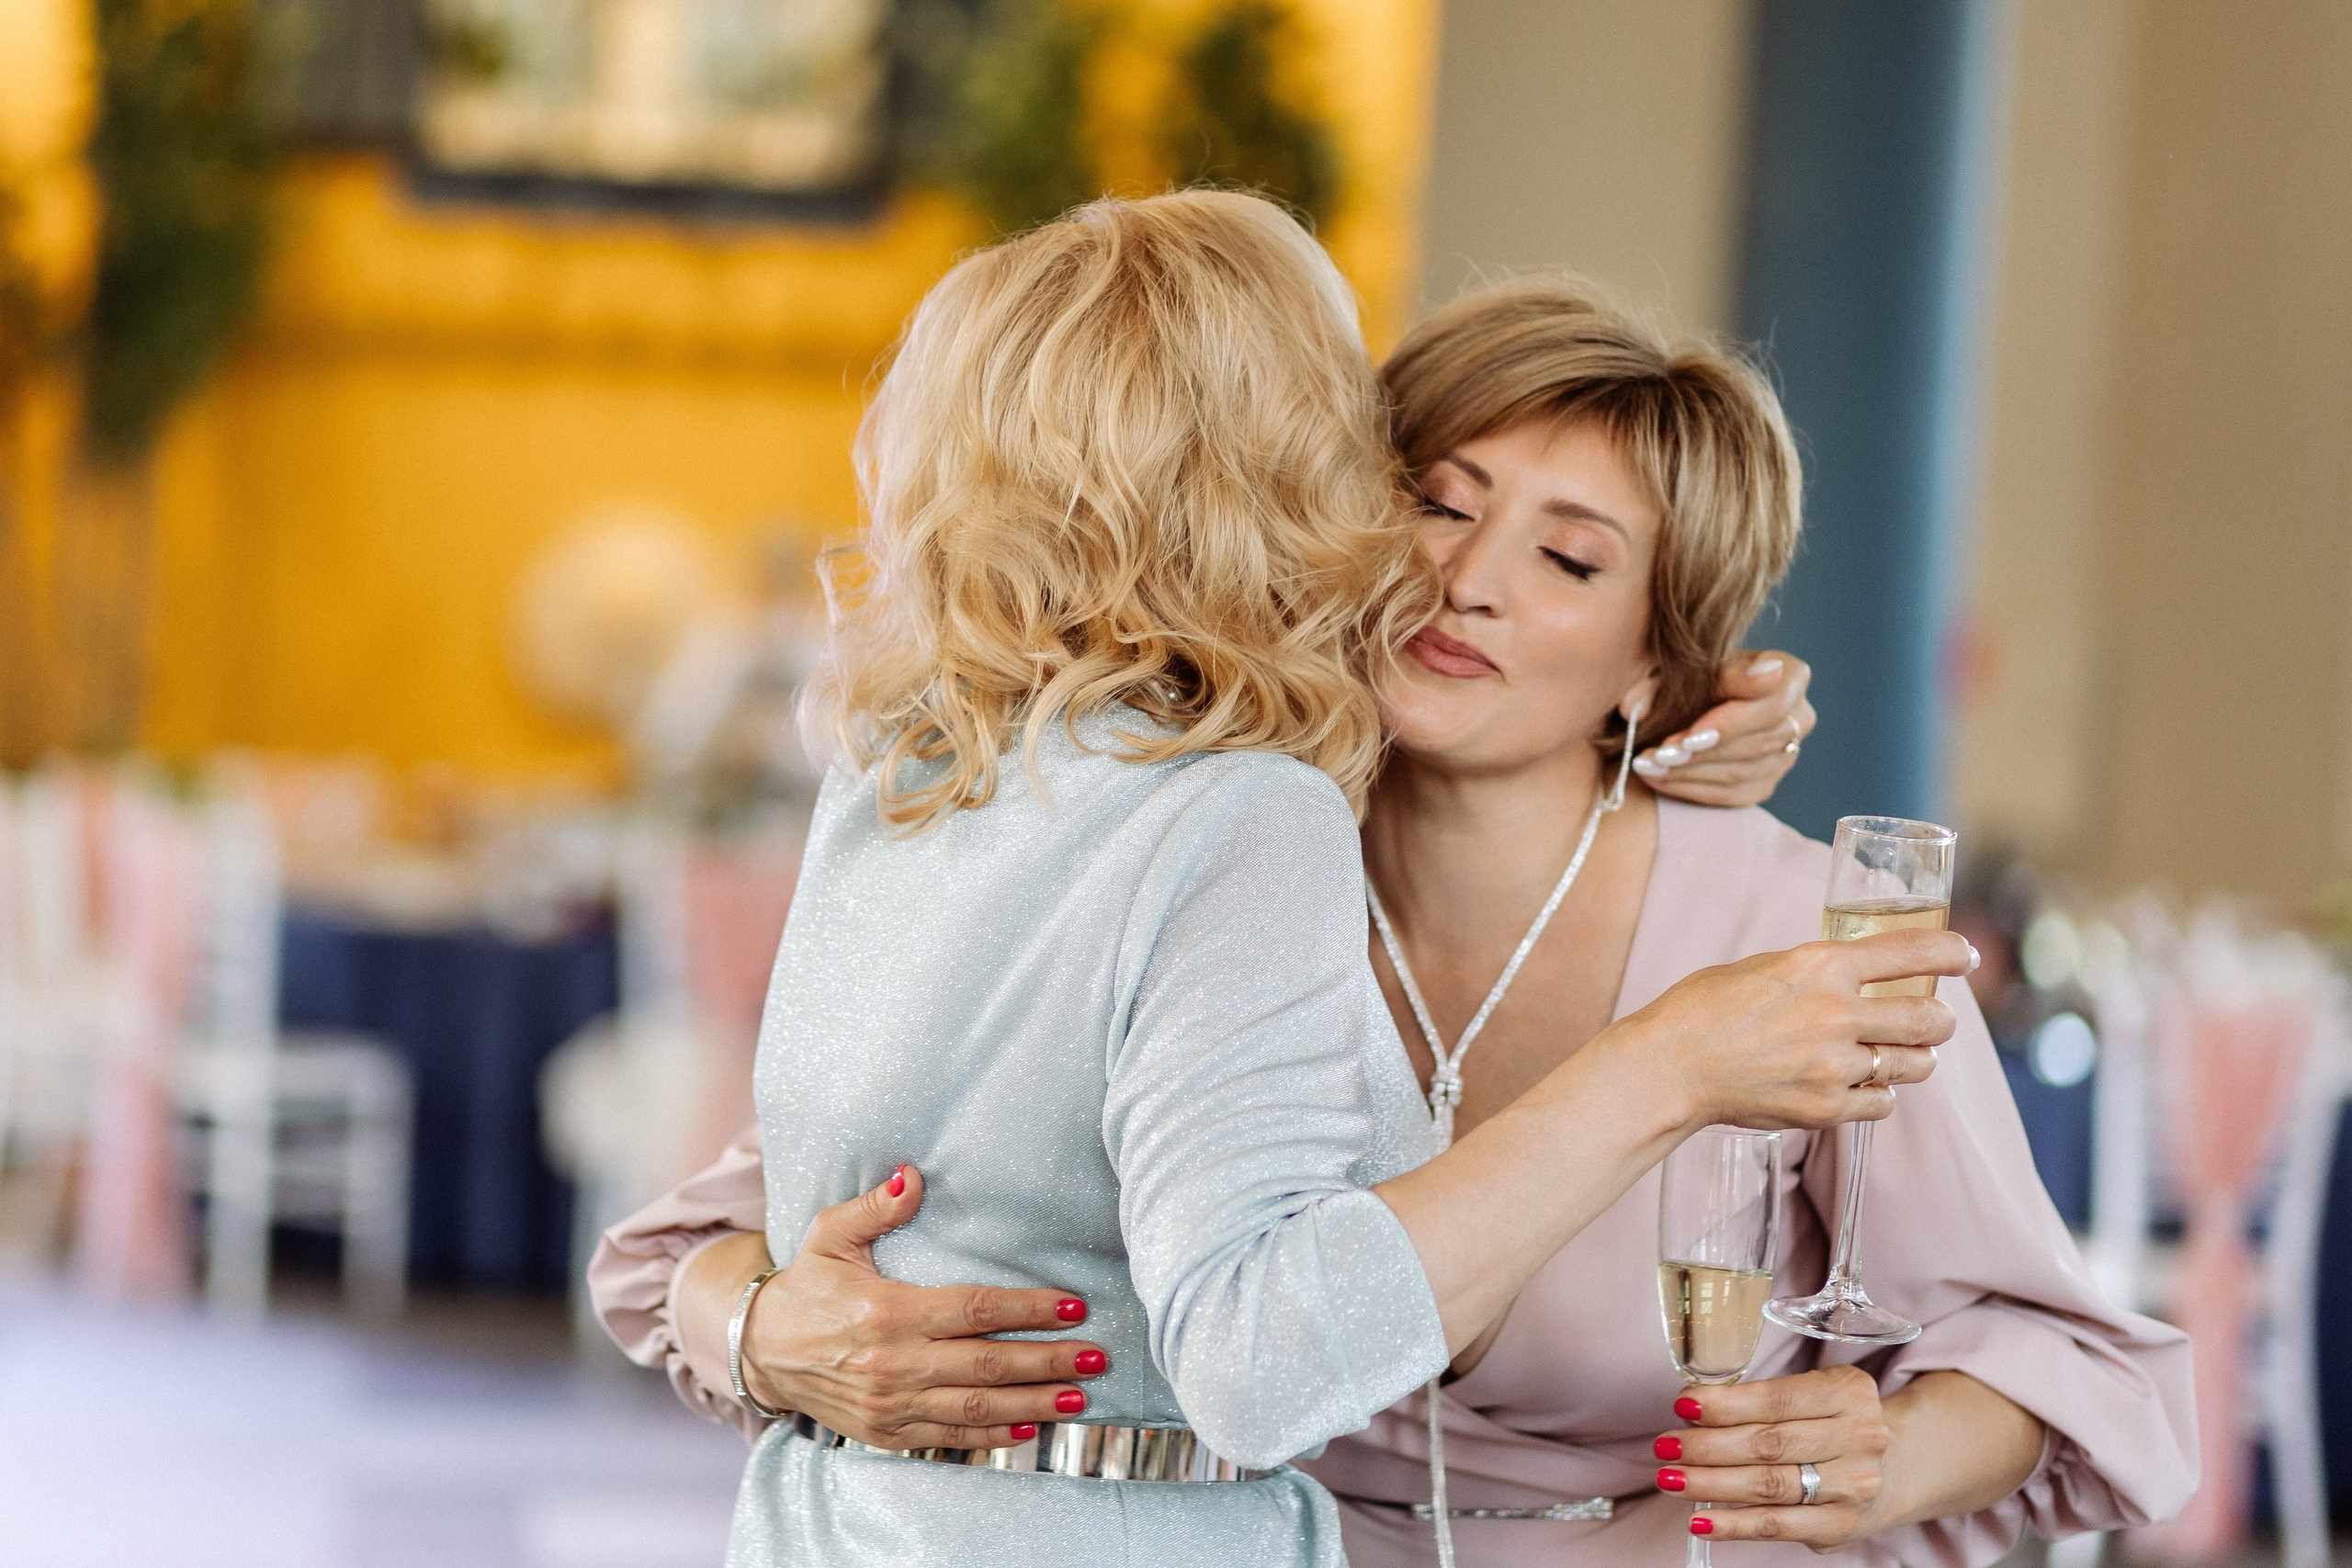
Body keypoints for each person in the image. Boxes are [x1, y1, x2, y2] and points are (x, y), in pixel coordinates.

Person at [595, 265, 2193, 1568]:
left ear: (1661, 656)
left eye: (1569, 558)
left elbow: (2067, 1364)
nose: (1472, 581)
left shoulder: (1776, 931)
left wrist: (1894, 1452)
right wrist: (760, 1332)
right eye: (1437, 505)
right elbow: (724, 1234)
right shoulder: (1204, 843)